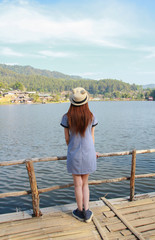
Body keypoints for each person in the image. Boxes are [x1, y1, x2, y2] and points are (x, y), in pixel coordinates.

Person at [60, 87, 98, 223]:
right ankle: (87, 212)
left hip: (74, 153)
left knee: (77, 185)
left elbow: (66, 139)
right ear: (86, 101)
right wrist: (93, 152)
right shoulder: (91, 116)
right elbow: (92, 137)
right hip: (89, 153)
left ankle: (79, 211)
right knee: (85, 184)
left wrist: (73, 149)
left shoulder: (66, 117)